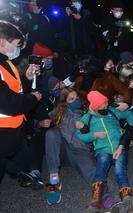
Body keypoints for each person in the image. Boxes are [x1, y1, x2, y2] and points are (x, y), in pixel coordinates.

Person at [76, 90, 133, 212]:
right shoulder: (87, 118)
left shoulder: (111, 111)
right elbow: (79, 135)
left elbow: (128, 114)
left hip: (119, 146)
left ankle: (127, 198)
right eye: (103, 104)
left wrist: (130, 127)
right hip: (102, 150)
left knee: (120, 169)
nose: (106, 105)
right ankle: (96, 200)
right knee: (101, 166)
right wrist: (94, 135)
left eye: (106, 102)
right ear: (96, 106)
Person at [0, 21, 42, 183]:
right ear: (2, 42)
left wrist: (27, 78)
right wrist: (33, 98)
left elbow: (13, 89)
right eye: (16, 45)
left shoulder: (7, 63)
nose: (18, 50)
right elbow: (9, 102)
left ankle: (21, 172)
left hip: (13, 130)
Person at [45, 88, 95, 205]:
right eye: (71, 99)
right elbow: (63, 120)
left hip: (80, 150)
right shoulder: (60, 114)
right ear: (65, 102)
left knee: (93, 175)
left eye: (76, 97)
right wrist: (75, 123)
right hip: (64, 152)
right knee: (51, 134)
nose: (76, 100)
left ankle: (107, 201)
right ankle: (54, 180)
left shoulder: (87, 111)